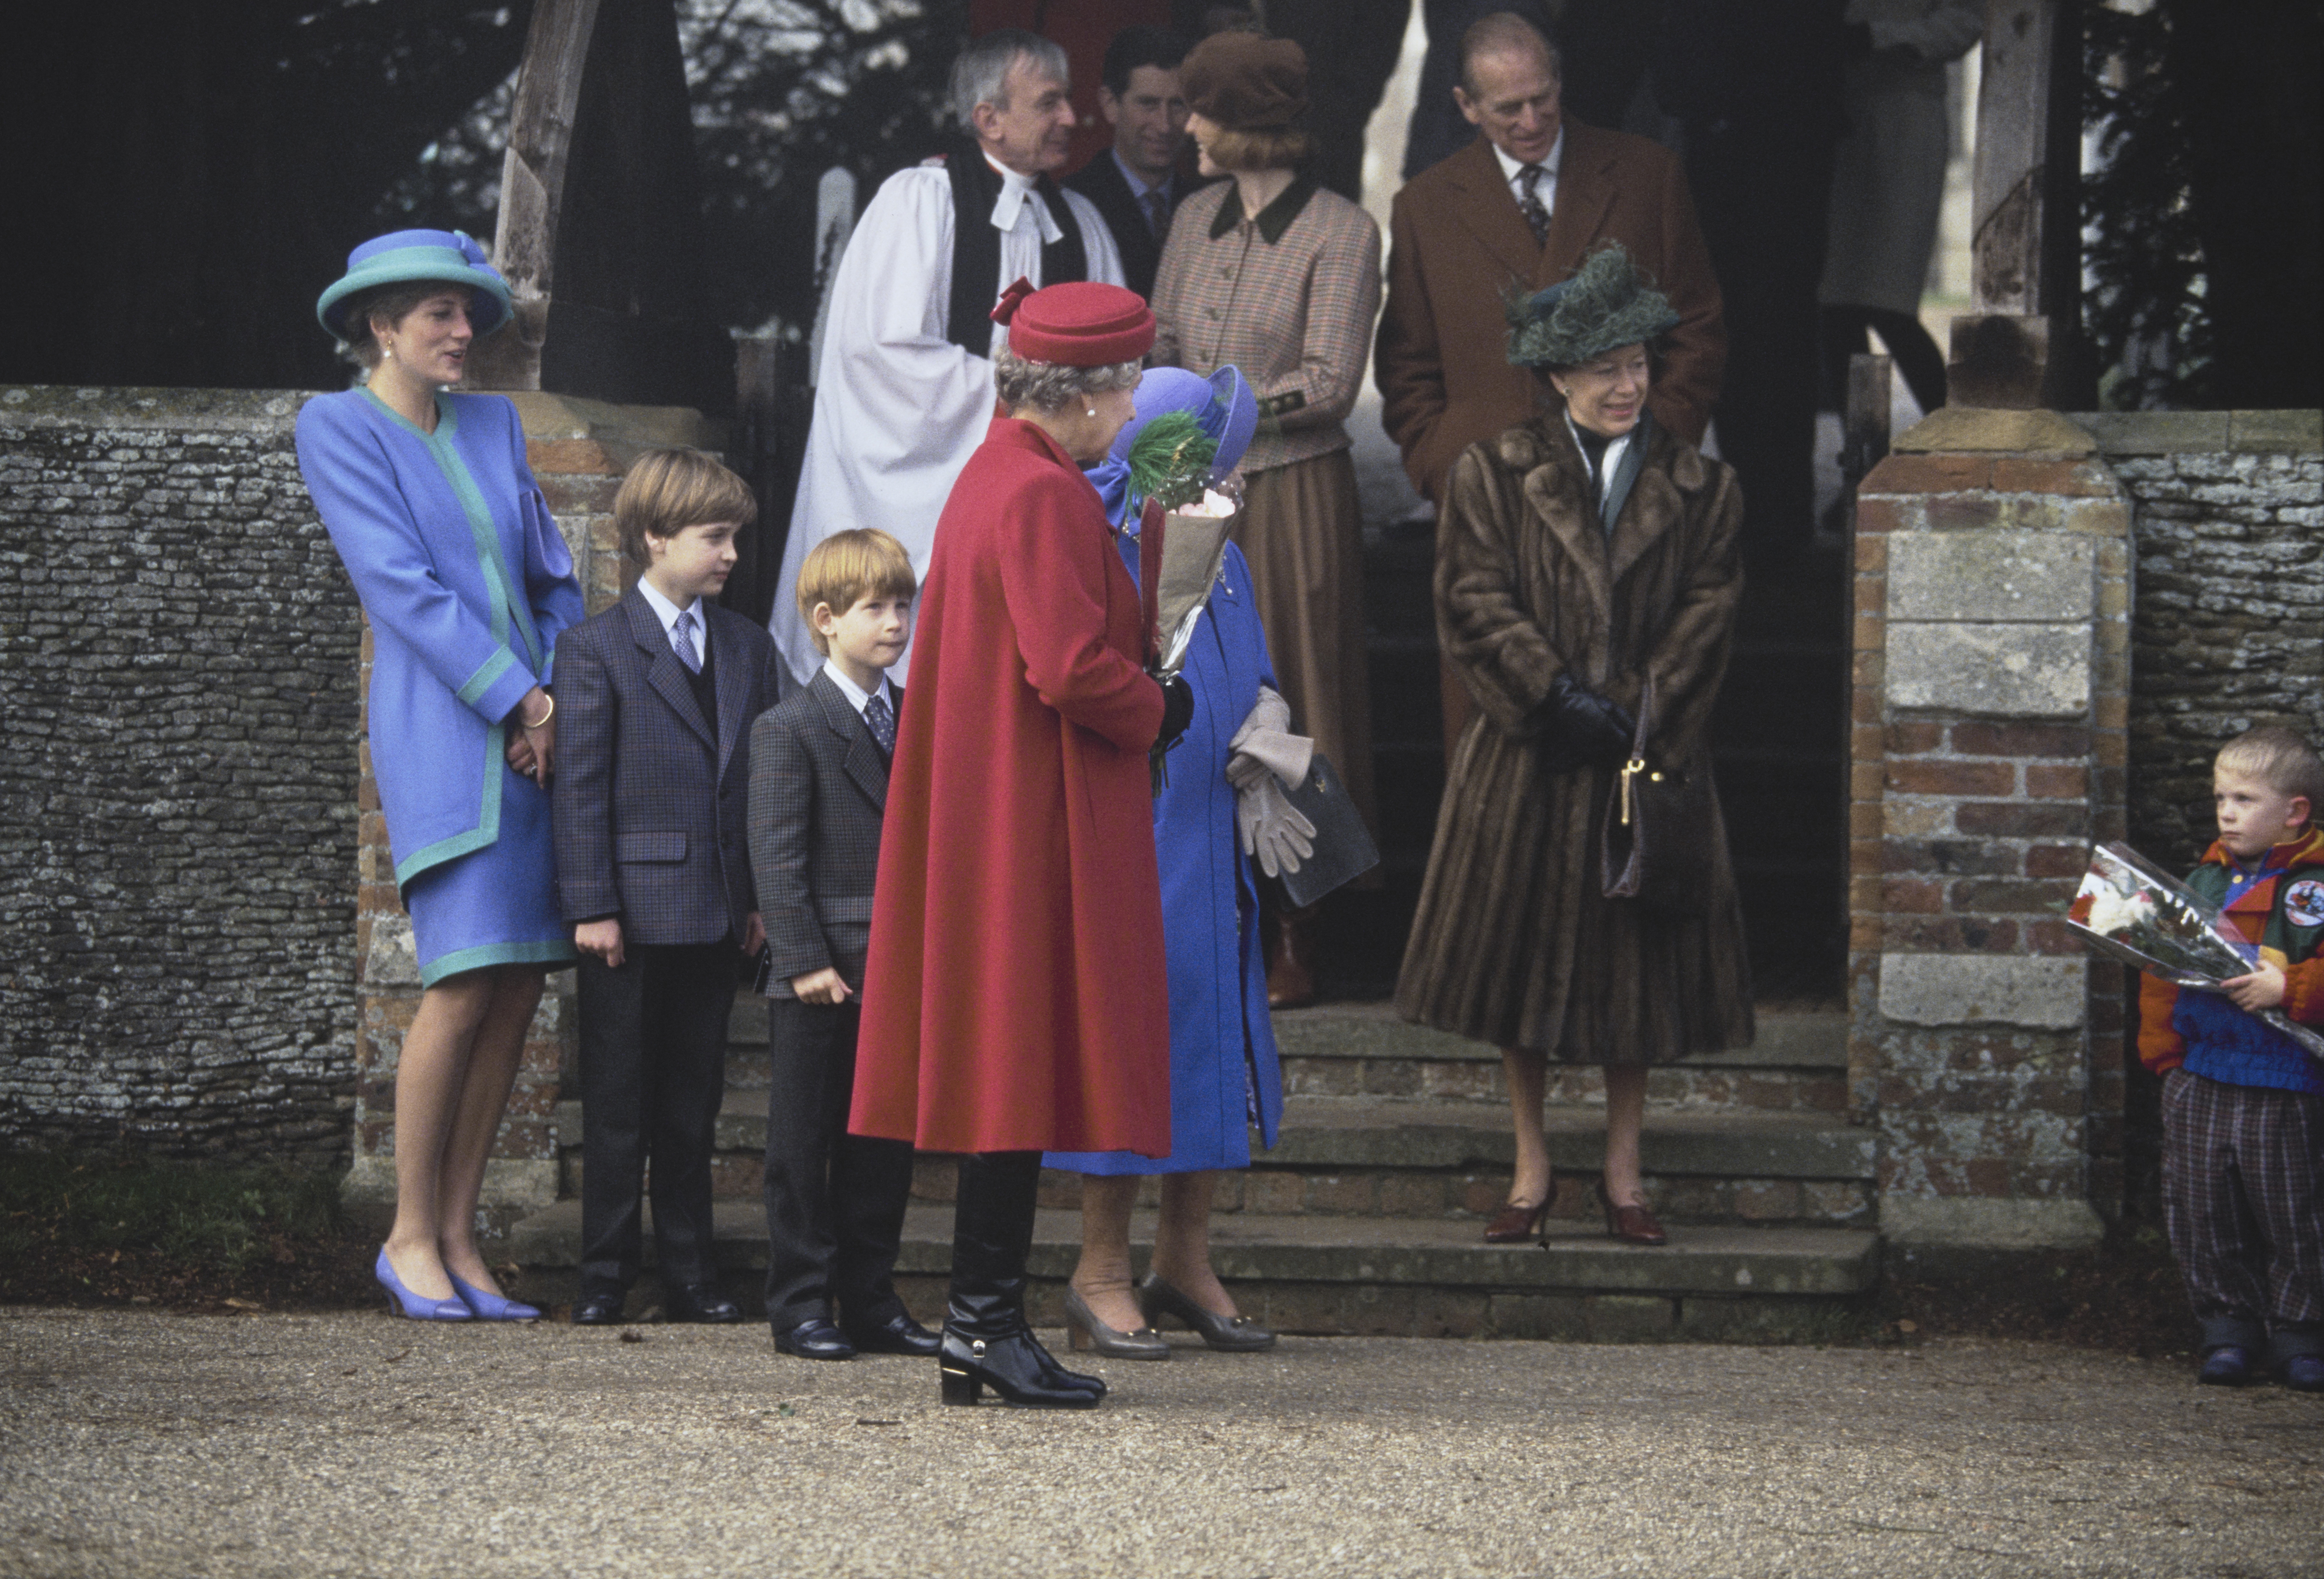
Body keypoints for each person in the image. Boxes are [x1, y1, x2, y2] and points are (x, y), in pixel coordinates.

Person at [849, 279, 1194, 1409]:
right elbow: (1069, 666)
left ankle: (979, 1325)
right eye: (1130, 383)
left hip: (994, 806)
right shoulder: (1041, 494)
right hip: (1029, 816)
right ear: (1087, 394)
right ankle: (981, 1323)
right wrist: (1159, 706)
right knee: (1016, 1055)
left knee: (1010, 1058)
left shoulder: (994, 474)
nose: (1136, 403)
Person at [1395, 244, 1753, 1249]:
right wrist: (1550, 694)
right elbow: (1469, 597)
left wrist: (1635, 710)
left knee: (1634, 975)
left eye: (1637, 362)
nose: (1625, 384)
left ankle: (1625, 1173)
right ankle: (1529, 1168)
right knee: (1517, 979)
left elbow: (1708, 611)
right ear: (1556, 374)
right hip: (1527, 759)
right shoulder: (1491, 473)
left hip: (1642, 764)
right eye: (1602, 366)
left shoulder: (1703, 487)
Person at [297, 229, 585, 1323]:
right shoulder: (337, 427)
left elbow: (554, 580)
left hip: (535, 732)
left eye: (470, 315)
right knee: (462, 980)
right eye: (439, 316)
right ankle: (407, 1233)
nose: (464, 333)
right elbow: (404, 590)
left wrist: (548, 698)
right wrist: (520, 699)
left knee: (518, 983)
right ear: (381, 325)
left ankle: (460, 1235)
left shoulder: (494, 423)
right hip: (441, 730)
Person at [1375, 11, 1723, 760]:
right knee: (1491, 750)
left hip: (1624, 512)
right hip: (1488, 519)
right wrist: (1445, 467)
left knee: (1624, 745)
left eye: (1544, 97)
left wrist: (1652, 453)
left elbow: (1697, 331)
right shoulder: (1425, 206)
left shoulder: (1645, 175)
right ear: (1466, 106)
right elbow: (1407, 369)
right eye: (1507, 107)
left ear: (1562, 83)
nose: (1531, 120)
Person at [1045, 366, 1290, 1360]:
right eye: (1211, 460)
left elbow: (1255, 666)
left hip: (1217, 833)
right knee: (1130, 1044)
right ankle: (1098, 1271)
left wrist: (1269, 720)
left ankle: (1183, 1259)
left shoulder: (1221, 553)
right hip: (1136, 838)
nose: (1232, 479)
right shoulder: (1103, 544)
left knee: (1218, 1047)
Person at [768, 29, 1126, 687]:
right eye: (1049, 103)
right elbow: (878, 355)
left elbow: (1117, 362)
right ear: (988, 119)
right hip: (919, 493)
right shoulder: (918, 203)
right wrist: (1024, 394)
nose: (1072, 120)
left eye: (1068, 101)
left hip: (1037, 500)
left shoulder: (1080, 224)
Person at [1150, 29, 1382, 1006]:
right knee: (1188, 689)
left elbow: (1330, 383)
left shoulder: (1341, 230)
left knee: (1292, 687)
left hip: (1291, 496)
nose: (1185, 126)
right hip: (1190, 495)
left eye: (1200, 111)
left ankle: (1298, 922)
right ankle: (1207, 911)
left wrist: (1220, 412)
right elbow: (1160, 337)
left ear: (1247, 126)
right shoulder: (1192, 215)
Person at [551, 449, 784, 1327]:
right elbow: (579, 790)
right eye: (713, 537)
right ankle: (604, 1275)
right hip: (630, 917)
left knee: (692, 1106)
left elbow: (765, 780)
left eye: (733, 537)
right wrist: (593, 906)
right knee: (617, 1108)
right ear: (655, 538)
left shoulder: (747, 646)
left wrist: (757, 898)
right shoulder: (595, 652)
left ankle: (691, 1275)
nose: (729, 553)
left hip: (718, 914)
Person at [748, 529, 936, 1363]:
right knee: (803, 1142)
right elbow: (777, 857)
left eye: (903, 605)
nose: (895, 622)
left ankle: (871, 1299)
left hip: (899, 965)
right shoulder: (791, 727)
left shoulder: (916, 721)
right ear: (825, 620)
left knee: (883, 1143)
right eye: (875, 608)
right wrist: (804, 959)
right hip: (824, 969)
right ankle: (799, 1305)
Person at [2136, 727, 2324, 1394]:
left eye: (2244, 798)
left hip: (2287, 1078)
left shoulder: (2317, 885)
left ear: (2294, 811)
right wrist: (2163, 1056)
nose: (2225, 811)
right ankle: (2227, 1331)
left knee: (2290, 1212)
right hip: (2200, 1072)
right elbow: (2159, 971)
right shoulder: (2202, 878)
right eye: (2220, 796)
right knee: (2200, 1209)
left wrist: (2291, 987)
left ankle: (2301, 1334)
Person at [1652, 0, 1850, 567]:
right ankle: (1769, 507)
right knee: (1754, 328)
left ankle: (1770, 510)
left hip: (1760, 141)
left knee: (1760, 328)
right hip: (1765, 138)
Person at [1816, 0, 1983, 418]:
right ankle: (1863, 451)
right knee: (1836, 304)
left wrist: (1882, 36)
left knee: (1887, 301)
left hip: (1906, 118)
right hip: (1838, 117)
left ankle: (1952, 436)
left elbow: (1965, 20)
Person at [1065, 26, 1194, 301]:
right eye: (1148, 104)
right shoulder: (1072, 203)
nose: (1165, 125)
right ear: (1111, 104)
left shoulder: (1206, 205)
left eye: (1178, 105)